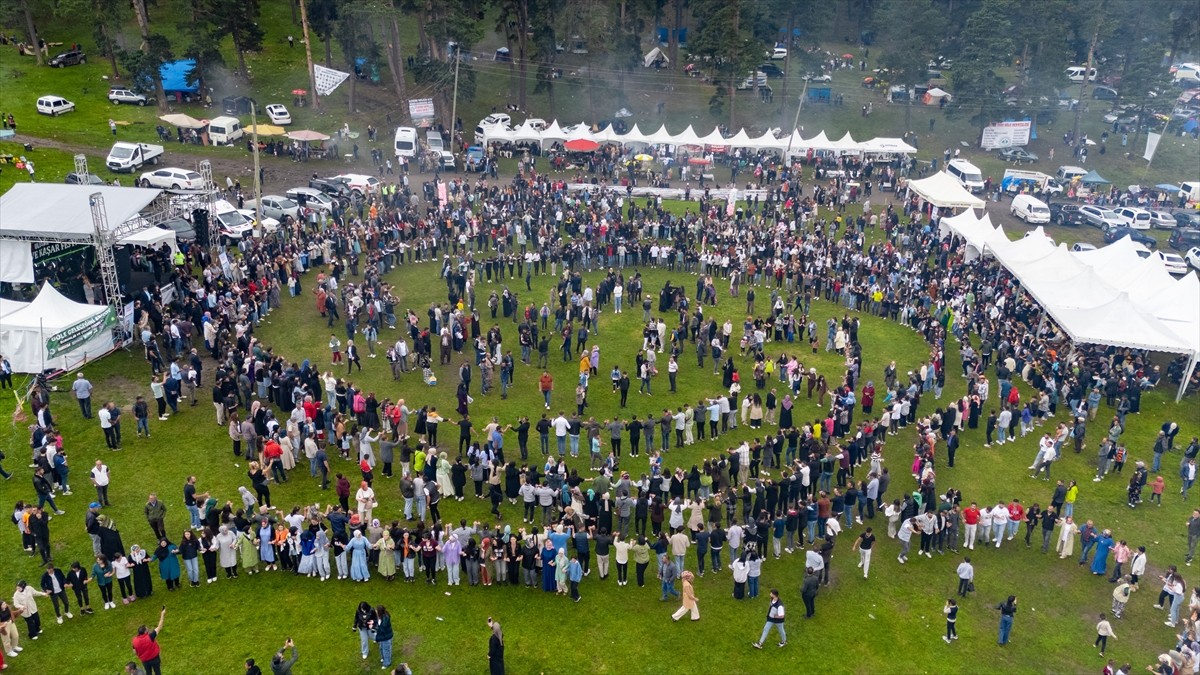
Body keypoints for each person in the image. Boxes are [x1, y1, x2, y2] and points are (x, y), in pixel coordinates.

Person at [131, 607, 167, 675]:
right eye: (147, 629)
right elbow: (160, 626)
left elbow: (135, 652)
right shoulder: (150, 636)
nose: (148, 630)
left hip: (145, 661)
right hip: (155, 659)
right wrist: (162, 614)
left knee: (148, 673)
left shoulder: (134, 640)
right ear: (145, 632)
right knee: (157, 672)